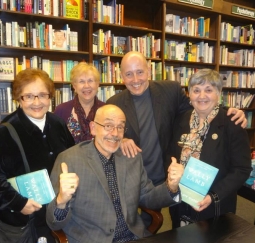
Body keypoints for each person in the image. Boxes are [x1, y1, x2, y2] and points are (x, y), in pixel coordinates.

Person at [106, 51, 247, 226]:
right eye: (129, 74)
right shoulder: (114, 102)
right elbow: (106, 133)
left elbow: (203, 103)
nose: (135, 79)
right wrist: (121, 139)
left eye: (140, 72)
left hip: (183, 187)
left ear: (149, 71)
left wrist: (231, 111)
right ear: (121, 77)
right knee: (138, 229)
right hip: (146, 179)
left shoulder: (170, 91)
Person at [46, 104, 183, 243]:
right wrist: (61, 201)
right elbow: (54, 223)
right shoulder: (69, 160)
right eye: (108, 125)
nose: (115, 133)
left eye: (120, 127)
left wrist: (170, 187)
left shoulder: (131, 156)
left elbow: (147, 197)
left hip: (134, 240)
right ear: (93, 127)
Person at [0, 68, 75, 243]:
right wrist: (18, 202)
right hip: (25, 220)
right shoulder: (5, 132)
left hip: (57, 211)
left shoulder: (58, 124)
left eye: (42, 95)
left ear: (50, 96)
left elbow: (72, 157)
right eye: (29, 96)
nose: (37, 102)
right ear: (19, 98)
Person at [167, 69, 251, 228]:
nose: (202, 96)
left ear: (219, 93)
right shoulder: (181, 121)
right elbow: (171, 153)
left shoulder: (232, 123)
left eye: (209, 90)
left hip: (214, 206)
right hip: (181, 202)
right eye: (196, 90)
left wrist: (213, 196)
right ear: (189, 94)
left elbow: (242, 169)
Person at [54, 62, 105, 143]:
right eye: (81, 81)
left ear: (97, 84)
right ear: (74, 86)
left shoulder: (107, 110)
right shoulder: (61, 110)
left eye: (90, 81)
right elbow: (56, 142)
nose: (86, 86)